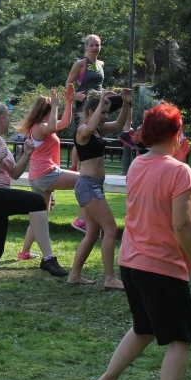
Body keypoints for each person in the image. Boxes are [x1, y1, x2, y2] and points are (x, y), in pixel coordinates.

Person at [94, 102, 191, 380]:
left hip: (131, 262)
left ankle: (108, 379)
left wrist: (178, 160)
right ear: (175, 133)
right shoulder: (179, 171)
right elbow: (182, 225)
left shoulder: (138, 164)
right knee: (181, 339)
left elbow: (162, 191)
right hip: (160, 264)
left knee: (145, 327)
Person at [0, 102, 70, 312]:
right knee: (36, 201)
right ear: (1, 118)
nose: (10, 121)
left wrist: (27, 154)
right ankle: (48, 258)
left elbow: (15, 174)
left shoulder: (0, 142)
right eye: (8, 117)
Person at [69, 89, 131, 289]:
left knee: (93, 233)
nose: (105, 117)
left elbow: (120, 125)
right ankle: (110, 278)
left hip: (93, 186)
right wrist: (103, 99)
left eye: (106, 113)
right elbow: (91, 124)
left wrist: (126, 103)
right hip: (88, 186)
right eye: (103, 112)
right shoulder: (83, 130)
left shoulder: (97, 130)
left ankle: (74, 275)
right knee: (111, 229)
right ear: (91, 112)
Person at [17, 85, 78, 260]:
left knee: (40, 217)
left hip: (38, 177)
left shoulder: (41, 126)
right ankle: (83, 219)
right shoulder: (40, 127)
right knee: (88, 179)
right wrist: (57, 105)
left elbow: (65, 123)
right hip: (46, 175)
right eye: (52, 109)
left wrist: (68, 102)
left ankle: (25, 252)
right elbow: (52, 127)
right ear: (47, 110)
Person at [65, 34, 106, 233]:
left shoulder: (101, 65)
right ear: (86, 47)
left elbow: (99, 85)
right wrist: (75, 95)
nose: (94, 48)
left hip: (97, 105)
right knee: (82, 136)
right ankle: (75, 166)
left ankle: (88, 167)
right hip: (84, 106)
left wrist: (106, 94)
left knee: (95, 137)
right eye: (91, 45)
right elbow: (68, 84)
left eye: (97, 45)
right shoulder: (80, 64)